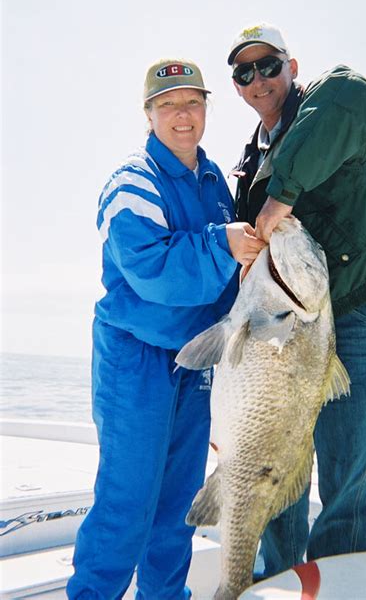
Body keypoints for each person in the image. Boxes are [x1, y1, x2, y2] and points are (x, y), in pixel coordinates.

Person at [67, 58, 265, 600]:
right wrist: (223, 244)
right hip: (136, 360)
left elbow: (229, 284)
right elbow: (152, 272)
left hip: (197, 362)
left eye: (193, 102)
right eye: (169, 104)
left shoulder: (214, 182)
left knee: (179, 508)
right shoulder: (132, 180)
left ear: (206, 108)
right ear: (148, 115)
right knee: (127, 502)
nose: (183, 115)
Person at [227, 24, 366, 577]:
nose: (259, 79)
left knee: (350, 474)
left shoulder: (328, 103)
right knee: (275, 463)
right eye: (244, 72)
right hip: (284, 332)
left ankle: (338, 584)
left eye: (269, 65)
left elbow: (358, 96)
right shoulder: (248, 163)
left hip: (353, 318)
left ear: (292, 68)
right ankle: (271, 581)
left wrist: (281, 197)